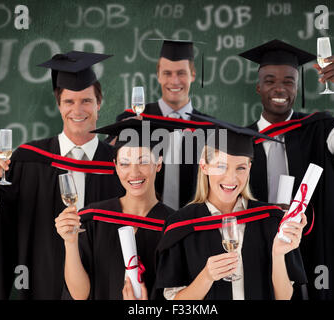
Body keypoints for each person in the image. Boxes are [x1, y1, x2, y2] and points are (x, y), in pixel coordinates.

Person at [0, 51, 124, 299]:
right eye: (69, 102)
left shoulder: (120, 164)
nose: (78, 110)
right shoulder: (30, 160)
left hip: (107, 286)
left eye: (86, 101)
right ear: (58, 105)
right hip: (42, 283)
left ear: (99, 103)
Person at [238, 39, 334, 299]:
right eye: (270, 81)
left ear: (297, 88)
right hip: (257, 248)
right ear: (258, 88)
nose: (279, 88)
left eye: (289, 81)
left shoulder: (320, 129)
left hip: (313, 246)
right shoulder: (239, 140)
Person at [156, 114, 308, 300]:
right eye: (221, 166)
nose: (231, 178)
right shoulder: (181, 225)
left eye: (240, 168)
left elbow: (284, 297)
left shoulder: (270, 220)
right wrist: (207, 276)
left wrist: (277, 254)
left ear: (250, 169)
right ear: (204, 167)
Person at [56, 119, 178, 299]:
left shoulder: (175, 226)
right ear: (116, 166)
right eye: (125, 163)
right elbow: (80, 295)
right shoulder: (93, 219)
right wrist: (70, 242)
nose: (134, 173)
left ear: (158, 163)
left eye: (143, 162)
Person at [111, 39, 210, 210]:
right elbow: (108, 161)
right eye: (167, 73)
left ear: (193, 74)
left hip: (192, 221)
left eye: (181, 73)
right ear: (158, 75)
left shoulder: (208, 128)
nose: (174, 81)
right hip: (144, 218)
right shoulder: (132, 120)